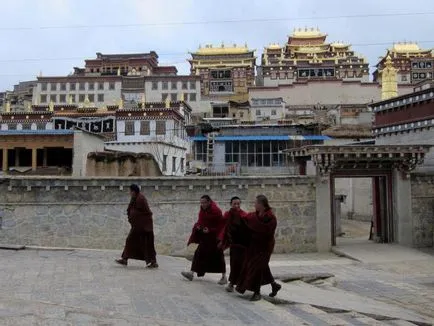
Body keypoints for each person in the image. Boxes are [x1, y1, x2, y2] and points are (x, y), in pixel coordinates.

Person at [235, 195, 281, 301]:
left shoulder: (270, 218)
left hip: (264, 247)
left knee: (257, 268)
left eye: (256, 203)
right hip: (253, 246)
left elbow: (267, 232)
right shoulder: (254, 215)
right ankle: (274, 285)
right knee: (262, 267)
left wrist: (255, 231)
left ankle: (257, 292)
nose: (254, 205)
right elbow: (245, 220)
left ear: (261, 204)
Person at [181, 195, 227, 285]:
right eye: (201, 203)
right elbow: (201, 220)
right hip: (205, 238)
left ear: (209, 202)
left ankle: (224, 277)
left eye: (204, 202)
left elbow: (221, 226)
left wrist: (210, 230)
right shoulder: (202, 210)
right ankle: (191, 273)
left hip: (214, 238)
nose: (202, 204)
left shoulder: (216, 211)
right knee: (198, 253)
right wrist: (198, 226)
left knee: (218, 257)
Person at [115, 184, 158, 268]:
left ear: (134, 191)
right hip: (138, 226)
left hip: (145, 227)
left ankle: (153, 262)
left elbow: (145, 213)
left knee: (147, 244)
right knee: (130, 241)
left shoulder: (141, 199)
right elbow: (131, 209)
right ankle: (125, 259)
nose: (129, 193)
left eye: (130, 191)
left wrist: (136, 219)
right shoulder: (134, 198)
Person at [218, 196, 250, 293]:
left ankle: (239, 284)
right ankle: (231, 284)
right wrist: (221, 240)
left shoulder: (244, 215)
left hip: (243, 244)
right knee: (234, 264)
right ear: (231, 204)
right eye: (234, 204)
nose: (236, 206)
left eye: (238, 204)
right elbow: (224, 227)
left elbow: (248, 229)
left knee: (243, 265)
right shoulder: (228, 214)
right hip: (234, 244)